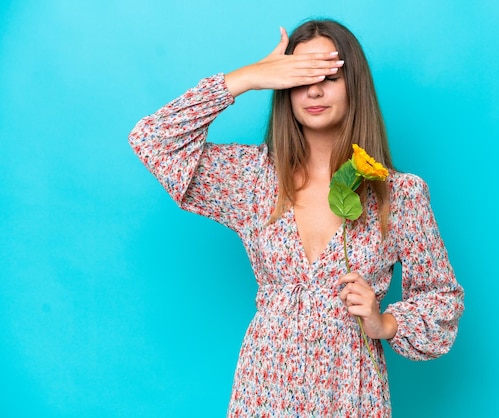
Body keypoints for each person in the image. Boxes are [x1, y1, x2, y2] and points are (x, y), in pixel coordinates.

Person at [129, 18, 464, 417]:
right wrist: (249, 77)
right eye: (301, 76)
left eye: (329, 76)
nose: (315, 89)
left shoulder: (398, 194)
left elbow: (442, 298)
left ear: (354, 85)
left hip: (351, 391)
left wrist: (385, 323)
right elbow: (153, 141)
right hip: (265, 388)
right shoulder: (252, 180)